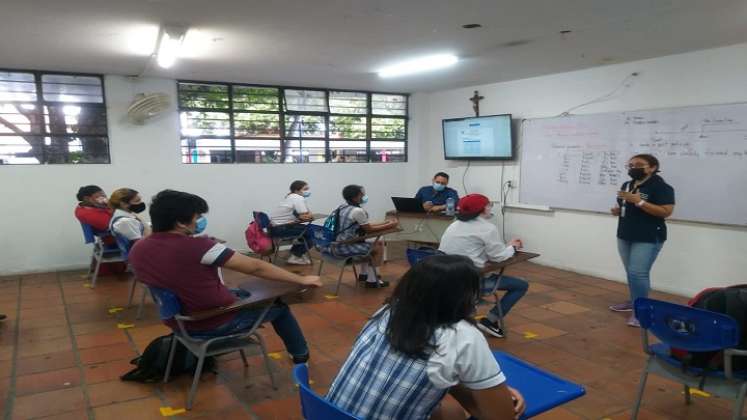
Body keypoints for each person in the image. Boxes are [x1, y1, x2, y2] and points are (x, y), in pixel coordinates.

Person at [128, 190, 323, 363]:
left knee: (243, 291)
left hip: (177, 320)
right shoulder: (199, 247)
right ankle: (300, 355)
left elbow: (174, 267)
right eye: (197, 216)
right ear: (180, 222)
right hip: (210, 322)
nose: (199, 221)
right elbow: (256, 267)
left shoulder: (139, 248)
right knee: (279, 307)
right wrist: (301, 279)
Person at [326, 254, 525, 420]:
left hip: (327, 413)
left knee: (450, 412)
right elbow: (502, 417)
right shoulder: (464, 336)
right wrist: (497, 397)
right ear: (466, 297)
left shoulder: (389, 311)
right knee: (452, 412)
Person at [439, 194, 527, 339]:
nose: (490, 207)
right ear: (481, 209)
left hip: (445, 279)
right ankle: (490, 321)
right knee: (521, 285)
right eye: (488, 205)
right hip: (470, 282)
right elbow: (498, 257)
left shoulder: (454, 224)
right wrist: (512, 247)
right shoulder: (487, 228)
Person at [610, 154, 675, 327]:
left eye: (638, 164)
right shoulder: (627, 185)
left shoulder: (661, 187)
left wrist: (640, 202)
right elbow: (625, 205)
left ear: (652, 167)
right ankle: (634, 302)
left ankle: (641, 312)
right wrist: (617, 210)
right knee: (631, 272)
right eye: (630, 165)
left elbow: (666, 211)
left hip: (648, 236)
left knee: (638, 273)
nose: (633, 168)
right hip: (625, 234)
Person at [331, 185, 398, 288]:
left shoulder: (342, 206)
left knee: (368, 244)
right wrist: (390, 225)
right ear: (355, 197)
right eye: (362, 194)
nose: (364, 196)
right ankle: (372, 280)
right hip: (345, 247)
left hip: (336, 243)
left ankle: (364, 274)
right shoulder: (358, 211)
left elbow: (365, 225)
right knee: (378, 246)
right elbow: (369, 229)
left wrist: (385, 223)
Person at [269, 180, 314, 265]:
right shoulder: (297, 198)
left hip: (274, 228)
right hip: (281, 228)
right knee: (311, 232)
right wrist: (306, 213)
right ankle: (295, 256)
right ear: (297, 191)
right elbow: (307, 215)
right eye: (305, 189)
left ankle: (295, 253)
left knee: (306, 232)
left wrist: (303, 215)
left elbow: (301, 215)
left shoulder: (291, 197)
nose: (308, 191)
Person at [108, 188, 151, 253]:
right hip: (139, 255)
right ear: (124, 204)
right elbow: (140, 245)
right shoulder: (125, 222)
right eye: (137, 201)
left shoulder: (126, 215)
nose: (141, 203)